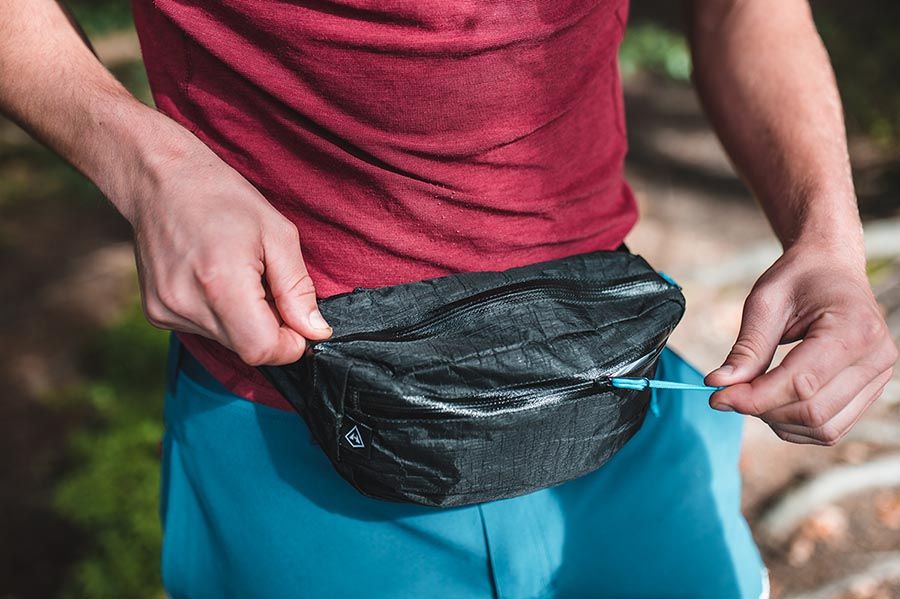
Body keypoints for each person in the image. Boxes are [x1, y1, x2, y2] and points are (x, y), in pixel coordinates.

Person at [1, 0, 896, 597]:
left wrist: (828, 238)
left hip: (621, 405)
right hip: (300, 421)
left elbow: (746, 10)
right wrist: (147, 167)